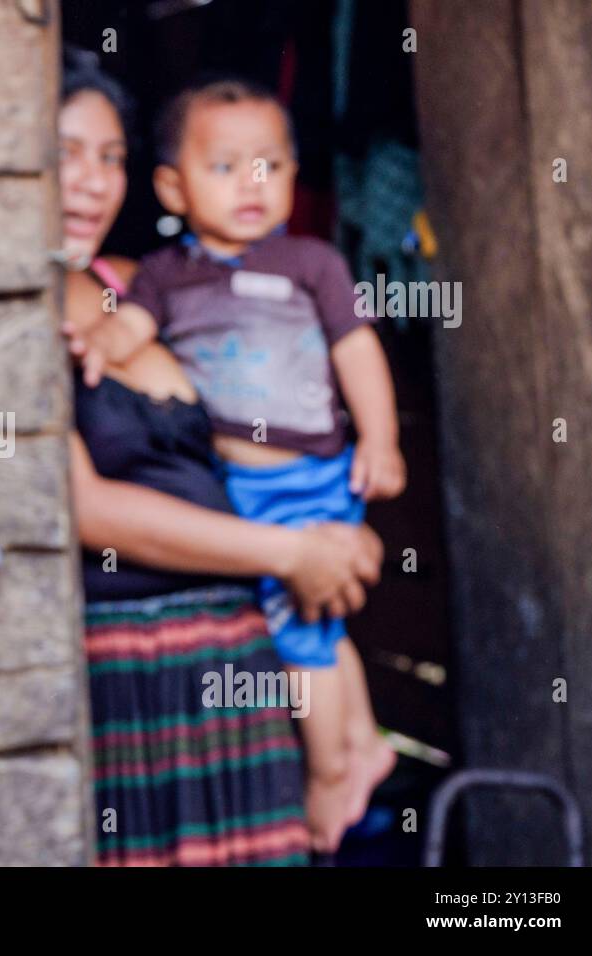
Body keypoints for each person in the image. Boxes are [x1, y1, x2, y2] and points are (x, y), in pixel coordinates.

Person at [58, 52, 383, 864]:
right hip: (133, 671)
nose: (93, 182)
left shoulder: (144, 287)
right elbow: (84, 508)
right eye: (63, 153)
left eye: (109, 157)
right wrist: (293, 551)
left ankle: (354, 754)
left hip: (241, 655)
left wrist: (342, 535)